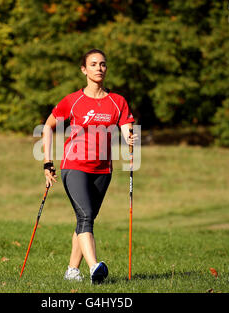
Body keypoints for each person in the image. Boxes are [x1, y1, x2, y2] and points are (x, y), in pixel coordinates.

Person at [42, 49, 138, 284]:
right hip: (74, 165)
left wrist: (130, 140)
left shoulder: (118, 102)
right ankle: (95, 267)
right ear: (84, 70)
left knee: (86, 219)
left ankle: (72, 271)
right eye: (93, 64)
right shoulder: (73, 101)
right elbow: (48, 126)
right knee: (85, 215)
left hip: (103, 170)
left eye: (103, 64)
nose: (99, 68)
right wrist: (47, 162)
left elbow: (127, 128)